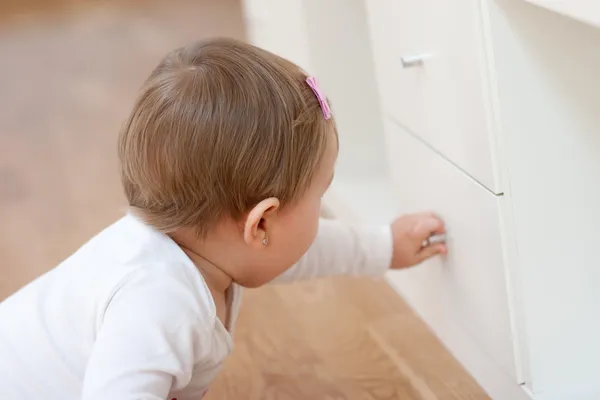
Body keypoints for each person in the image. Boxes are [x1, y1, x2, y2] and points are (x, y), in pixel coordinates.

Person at [0, 38, 446, 399]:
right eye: (320, 195)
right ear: (261, 224)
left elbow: (302, 247)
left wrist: (383, 246)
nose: (320, 212)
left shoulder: (207, 244)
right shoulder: (159, 306)